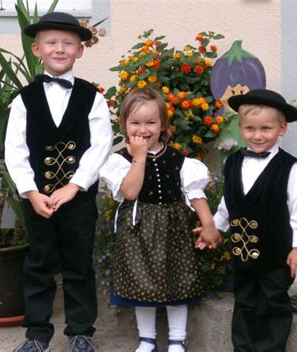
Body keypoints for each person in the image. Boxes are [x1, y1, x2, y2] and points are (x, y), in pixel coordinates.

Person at [5, 12, 113, 352]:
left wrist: (74, 185)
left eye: (68, 43)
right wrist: (30, 192)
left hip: (77, 200)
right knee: (39, 263)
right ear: (37, 49)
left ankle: (81, 332)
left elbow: (101, 144)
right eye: (52, 42)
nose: (60, 49)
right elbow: (15, 149)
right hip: (37, 198)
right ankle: (37, 335)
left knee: (79, 265)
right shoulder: (23, 99)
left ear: (80, 50)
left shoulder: (91, 97)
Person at [100, 87, 221, 352]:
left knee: (176, 282)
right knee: (141, 285)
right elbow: (130, 192)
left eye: (151, 122)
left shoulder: (179, 159)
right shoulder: (120, 160)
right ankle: (147, 339)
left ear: (162, 124)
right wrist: (139, 157)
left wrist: (209, 224)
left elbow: (195, 193)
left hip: (172, 229)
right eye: (135, 122)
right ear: (124, 125)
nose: (143, 129)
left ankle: (177, 339)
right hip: (138, 230)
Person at [213, 89, 297, 352]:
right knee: (244, 301)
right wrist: (214, 227)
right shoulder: (233, 162)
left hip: (276, 256)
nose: (257, 135)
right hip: (242, 255)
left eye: (266, 129)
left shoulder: (290, 167)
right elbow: (229, 202)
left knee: (272, 304)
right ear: (240, 127)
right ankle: (243, 348)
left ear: (282, 129)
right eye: (250, 128)